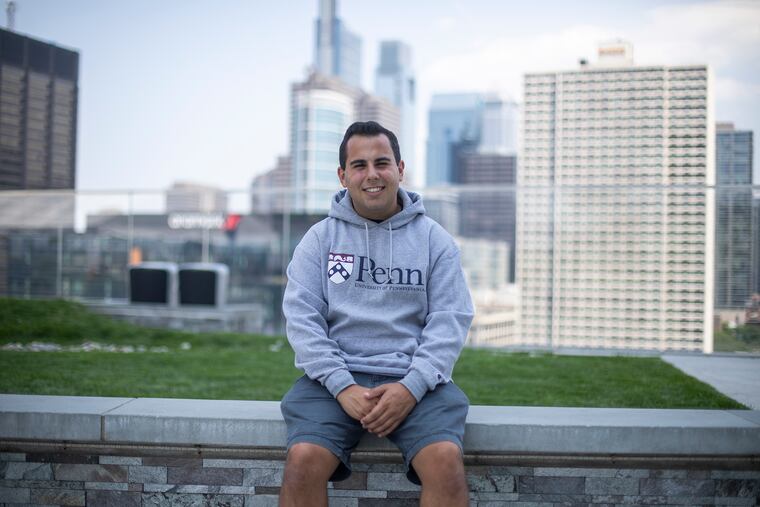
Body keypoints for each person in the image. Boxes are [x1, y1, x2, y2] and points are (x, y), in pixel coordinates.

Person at [279, 121, 474, 507]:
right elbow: (302, 319)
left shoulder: (435, 240)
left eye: (382, 163)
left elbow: (450, 319)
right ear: (343, 176)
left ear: (400, 170)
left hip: (416, 378)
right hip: (333, 379)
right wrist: (342, 386)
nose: (372, 174)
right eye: (359, 165)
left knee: (445, 461)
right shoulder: (319, 239)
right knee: (302, 461)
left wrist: (411, 387)